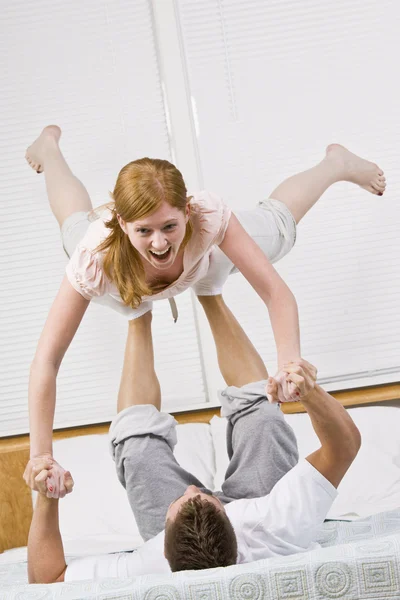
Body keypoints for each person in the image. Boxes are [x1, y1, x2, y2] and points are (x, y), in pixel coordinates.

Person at [23, 125, 380, 498]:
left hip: (206, 257)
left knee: (277, 229)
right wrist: (40, 454)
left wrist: (289, 364)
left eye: (169, 226)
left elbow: (277, 293)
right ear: (122, 224)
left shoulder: (208, 218)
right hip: (123, 279)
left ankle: (334, 163)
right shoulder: (95, 259)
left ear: (188, 211)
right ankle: (49, 150)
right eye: (144, 230)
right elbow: (46, 361)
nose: (159, 243)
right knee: (74, 231)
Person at [27, 295, 361, 584]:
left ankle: (137, 312)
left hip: (188, 531)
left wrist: (47, 498)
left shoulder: (148, 565)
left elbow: (47, 579)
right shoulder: (275, 526)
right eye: (202, 496)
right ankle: (209, 290)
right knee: (264, 420)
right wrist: (309, 392)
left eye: (183, 499)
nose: (193, 489)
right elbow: (344, 445)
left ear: (163, 542)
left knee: (138, 452)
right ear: (230, 520)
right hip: (259, 504)